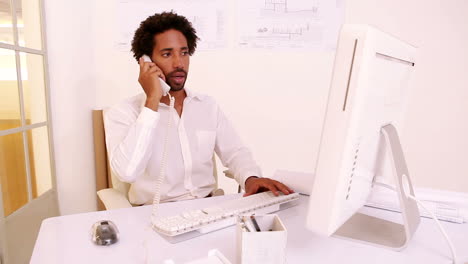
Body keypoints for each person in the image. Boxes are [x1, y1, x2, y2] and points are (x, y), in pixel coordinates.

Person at [104, 11, 293, 205]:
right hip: (153, 214)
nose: (179, 63)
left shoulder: (207, 106)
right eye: (167, 54)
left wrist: (251, 179)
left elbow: (235, 152)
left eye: (184, 53)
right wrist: (152, 99)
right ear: (146, 62)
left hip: (208, 209)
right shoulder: (124, 112)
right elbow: (127, 172)